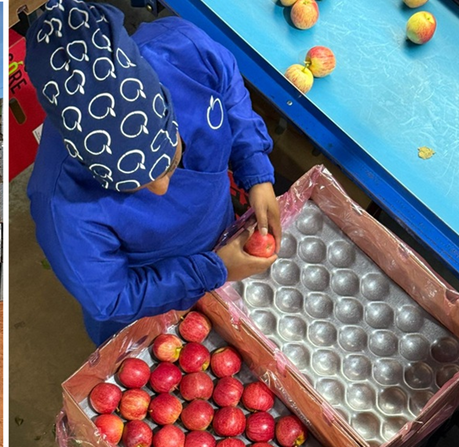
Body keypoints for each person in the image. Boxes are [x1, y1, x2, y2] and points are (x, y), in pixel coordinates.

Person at [24, 0, 281, 345]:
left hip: (220, 232)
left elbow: (229, 92)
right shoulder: (61, 206)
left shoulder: (183, 51)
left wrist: (256, 170)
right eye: (134, 188)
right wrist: (211, 270)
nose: (161, 189)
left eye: (171, 163)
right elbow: (112, 297)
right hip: (153, 296)